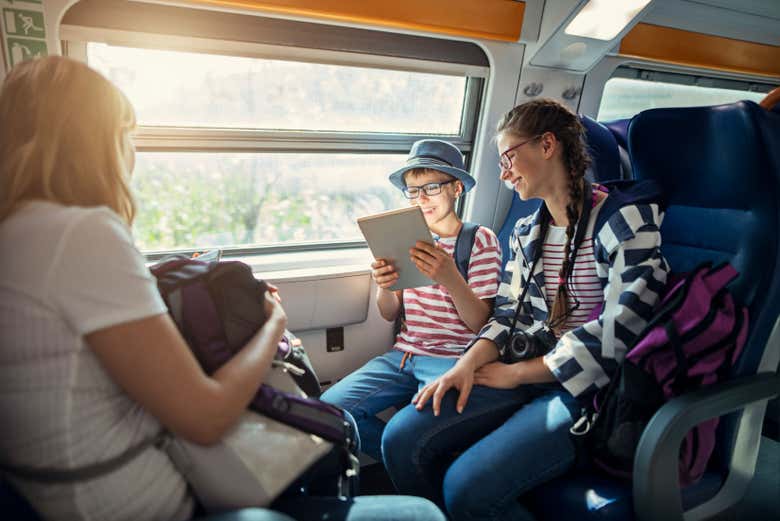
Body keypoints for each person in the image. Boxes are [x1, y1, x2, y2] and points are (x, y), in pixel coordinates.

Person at [0, 56, 445, 521]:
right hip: (143, 501)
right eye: (125, 135)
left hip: (94, 482)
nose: (130, 153)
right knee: (421, 514)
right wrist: (273, 324)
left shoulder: (22, 232)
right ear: (94, 143)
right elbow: (206, 418)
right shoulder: (83, 234)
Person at [381, 98, 670, 520]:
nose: (503, 173)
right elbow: (506, 314)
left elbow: (621, 330)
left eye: (509, 158)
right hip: (527, 369)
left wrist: (517, 374)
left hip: (587, 391)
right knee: (400, 439)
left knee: (465, 487)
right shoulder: (526, 232)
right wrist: (466, 365)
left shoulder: (624, 220)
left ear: (547, 145)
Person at [321, 139, 512, 462]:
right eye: (413, 191)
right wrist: (385, 286)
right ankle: (407, 464)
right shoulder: (404, 238)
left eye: (432, 187)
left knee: (413, 430)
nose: (421, 198)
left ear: (456, 189)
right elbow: (389, 312)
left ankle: (414, 462)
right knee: (329, 411)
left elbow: (481, 323)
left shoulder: (478, 240)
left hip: (452, 357)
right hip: (404, 355)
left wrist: (449, 276)